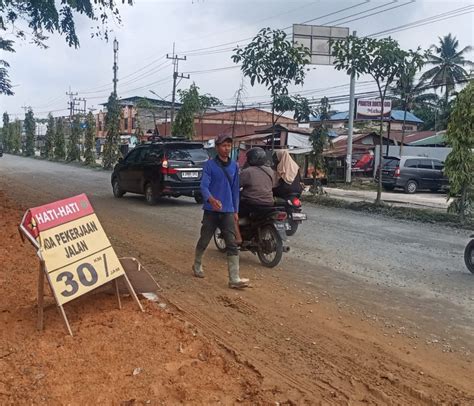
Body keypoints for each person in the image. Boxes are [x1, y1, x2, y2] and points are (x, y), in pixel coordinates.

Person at [193, 134, 249, 289]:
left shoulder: (234, 166)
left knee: (231, 243)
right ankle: (197, 264)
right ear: (217, 147)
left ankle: (234, 278)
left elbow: (235, 190)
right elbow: (204, 186)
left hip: (228, 211)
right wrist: (211, 200)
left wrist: (235, 210)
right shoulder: (209, 165)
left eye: (229, 146)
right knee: (204, 239)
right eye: (223, 145)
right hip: (211, 210)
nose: (226, 148)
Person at [240, 147, 277, 217]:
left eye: (248, 158)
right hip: (269, 203)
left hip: (252, 203)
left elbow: (237, 184)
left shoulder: (248, 171)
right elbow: (274, 185)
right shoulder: (270, 170)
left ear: (252, 159)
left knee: (234, 213)